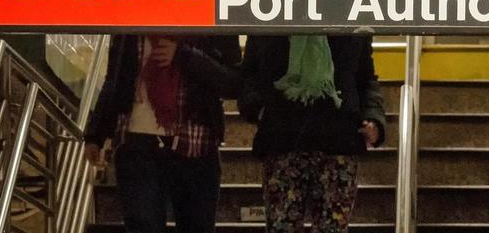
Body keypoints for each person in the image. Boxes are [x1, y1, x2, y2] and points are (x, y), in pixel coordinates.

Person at [84, 35, 241, 233]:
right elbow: (114, 78)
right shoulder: (130, 22)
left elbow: (233, 83)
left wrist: (184, 54)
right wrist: (95, 135)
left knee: (197, 226)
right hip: (137, 141)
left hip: (196, 143)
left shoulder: (209, 20)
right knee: (142, 225)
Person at [240, 35, 385, 233]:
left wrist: (373, 117)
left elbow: (365, 77)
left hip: (336, 141)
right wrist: (257, 108)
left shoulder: (351, 22)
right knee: (282, 226)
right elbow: (250, 74)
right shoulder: (271, 19)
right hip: (285, 139)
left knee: (331, 228)